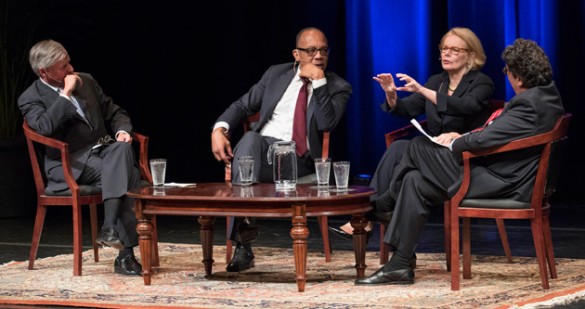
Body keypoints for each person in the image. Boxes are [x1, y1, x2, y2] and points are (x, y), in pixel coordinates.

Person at [355, 38, 565, 286]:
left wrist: (455, 143)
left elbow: (483, 140)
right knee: (414, 180)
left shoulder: (529, 104)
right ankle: (401, 264)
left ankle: (383, 203)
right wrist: (463, 136)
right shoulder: (546, 94)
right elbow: (494, 133)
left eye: (507, 71)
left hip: (502, 183)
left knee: (416, 148)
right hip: (497, 174)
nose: (506, 76)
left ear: (519, 76)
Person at [329, 27, 494, 240]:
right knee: (400, 148)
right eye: (444, 48)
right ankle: (372, 213)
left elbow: (466, 106)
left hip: (462, 158)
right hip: (430, 152)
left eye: (454, 49)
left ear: (471, 55)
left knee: (411, 146)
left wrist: (422, 90)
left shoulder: (482, 82)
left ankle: (369, 213)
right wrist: (391, 95)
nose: (446, 53)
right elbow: (408, 109)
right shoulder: (437, 81)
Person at [211, 27, 352, 272]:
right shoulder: (276, 74)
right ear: (296, 54)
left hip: (299, 159)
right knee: (250, 139)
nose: (318, 55)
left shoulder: (338, 86)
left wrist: (319, 82)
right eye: (310, 51)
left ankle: (242, 234)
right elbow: (242, 105)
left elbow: (327, 123)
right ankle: (243, 238)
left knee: (251, 146)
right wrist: (219, 129)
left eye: (323, 50)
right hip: (261, 154)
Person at [18, 39, 142, 276]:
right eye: (63, 67)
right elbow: (43, 127)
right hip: (70, 162)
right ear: (44, 72)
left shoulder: (87, 80)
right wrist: (65, 94)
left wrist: (122, 131)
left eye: (69, 62)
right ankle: (125, 254)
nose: (70, 69)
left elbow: (114, 111)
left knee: (122, 149)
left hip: (104, 151)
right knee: (129, 173)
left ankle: (108, 229)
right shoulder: (30, 97)